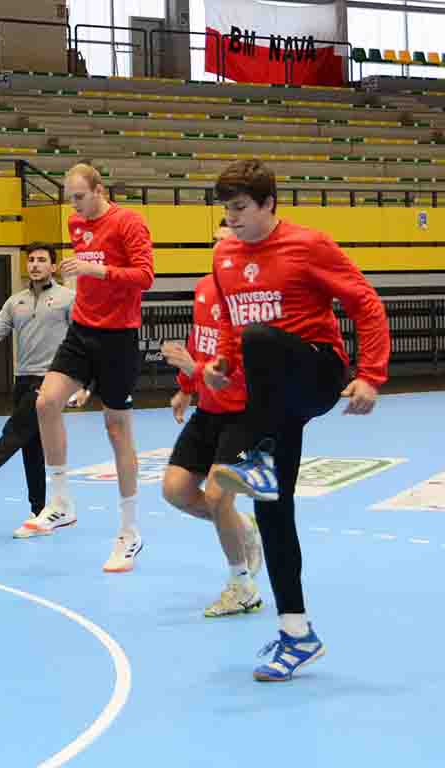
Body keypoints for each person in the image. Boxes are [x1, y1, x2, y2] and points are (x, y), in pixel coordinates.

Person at [203, 159, 390, 682]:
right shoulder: (223, 255)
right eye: (227, 209)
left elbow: (366, 304)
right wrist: (222, 364)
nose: (232, 218)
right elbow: (233, 325)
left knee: (262, 338)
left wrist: (371, 375)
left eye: (241, 208)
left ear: (268, 204)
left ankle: (258, 457)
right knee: (272, 508)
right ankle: (297, 633)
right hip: (271, 398)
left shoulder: (309, 245)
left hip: (316, 372)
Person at [28, 163, 155, 573]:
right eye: (71, 199)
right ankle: (61, 501)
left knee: (117, 430)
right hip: (82, 330)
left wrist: (95, 269)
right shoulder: (75, 223)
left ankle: (129, 532)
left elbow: (145, 276)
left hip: (119, 337)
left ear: (100, 190)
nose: (75, 206)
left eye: (80, 197)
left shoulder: (129, 222)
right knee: (46, 402)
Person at [161, 219, 264, 618]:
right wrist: (186, 386)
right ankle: (242, 528)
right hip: (209, 409)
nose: (219, 249)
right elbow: (199, 341)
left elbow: (244, 367)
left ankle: (241, 586)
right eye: (215, 242)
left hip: (244, 413)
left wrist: (196, 369)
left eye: (227, 242)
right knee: (175, 491)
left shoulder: (252, 298)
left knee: (220, 495)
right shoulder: (205, 287)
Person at [0, 242, 88, 526]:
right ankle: (38, 511)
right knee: (30, 446)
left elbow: (83, 340)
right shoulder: (15, 302)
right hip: (22, 379)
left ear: (53, 266)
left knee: (16, 429)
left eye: (41, 260)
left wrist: (83, 382)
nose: (35, 264)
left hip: (51, 379)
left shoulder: (68, 299)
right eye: (31, 259)